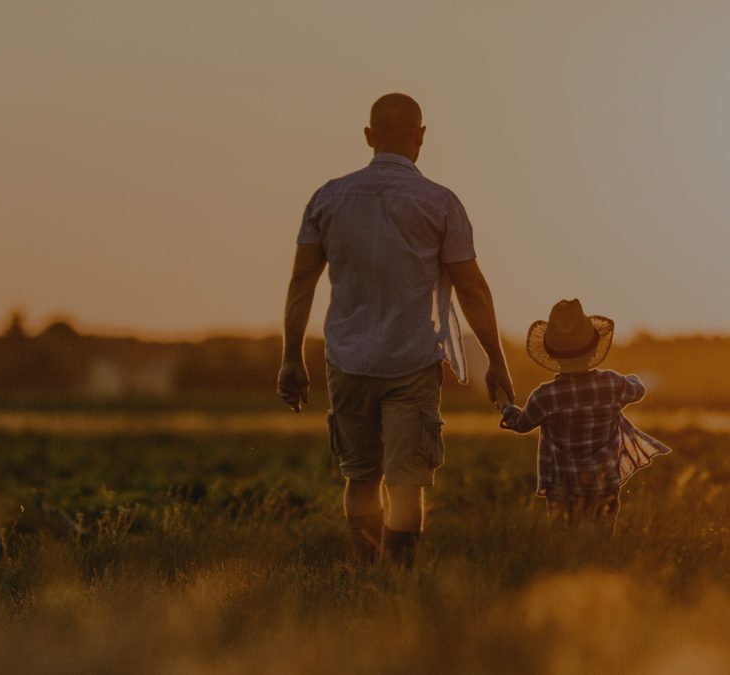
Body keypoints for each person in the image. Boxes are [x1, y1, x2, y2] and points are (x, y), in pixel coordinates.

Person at [277, 93, 514, 567]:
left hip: (345, 359)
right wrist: (496, 361)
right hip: (412, 362)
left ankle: (365, 574)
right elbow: (473, 290)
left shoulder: (327, 197)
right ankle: (396, 581)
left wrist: (291, 357)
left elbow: (302, 281)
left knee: (360, 476)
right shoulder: (440, 202)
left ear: (368, 137)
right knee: (406, 483)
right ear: (420, 137)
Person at [499, 299, 671, 531]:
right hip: (604, 483)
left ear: (553, 354)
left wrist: (505, 407)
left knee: (563, 540)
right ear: (593, 350)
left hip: (562, 486)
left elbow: (520, 424)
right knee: (602, 540)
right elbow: (638, 390)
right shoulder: (611, 384)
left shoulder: (544, 396)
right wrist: (632, 377)